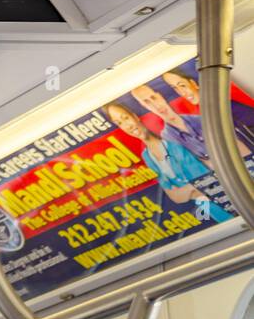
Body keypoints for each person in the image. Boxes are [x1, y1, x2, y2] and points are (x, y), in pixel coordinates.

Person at [104, 101, 233, 224]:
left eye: (126, 118)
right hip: (209, 208)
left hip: (228, 196)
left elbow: (206, 180)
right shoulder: (147, 156)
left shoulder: (173, 139)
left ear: (134, 116)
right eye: (119, 123)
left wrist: (186, 191)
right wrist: (191, 190)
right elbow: (176, 197)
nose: (127, 126)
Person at [163, 68, 254, 152]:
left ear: (194, 83)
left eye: (183, 85)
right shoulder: (206, 112)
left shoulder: (224, 105)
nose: (182, 93)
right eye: (175, 88)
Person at [130, 83, 209, 162]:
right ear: (145, 106)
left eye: (154, 98)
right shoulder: (166, 141)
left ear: (160, 96)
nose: (156, 106)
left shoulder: (200, 119)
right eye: (147, 102)